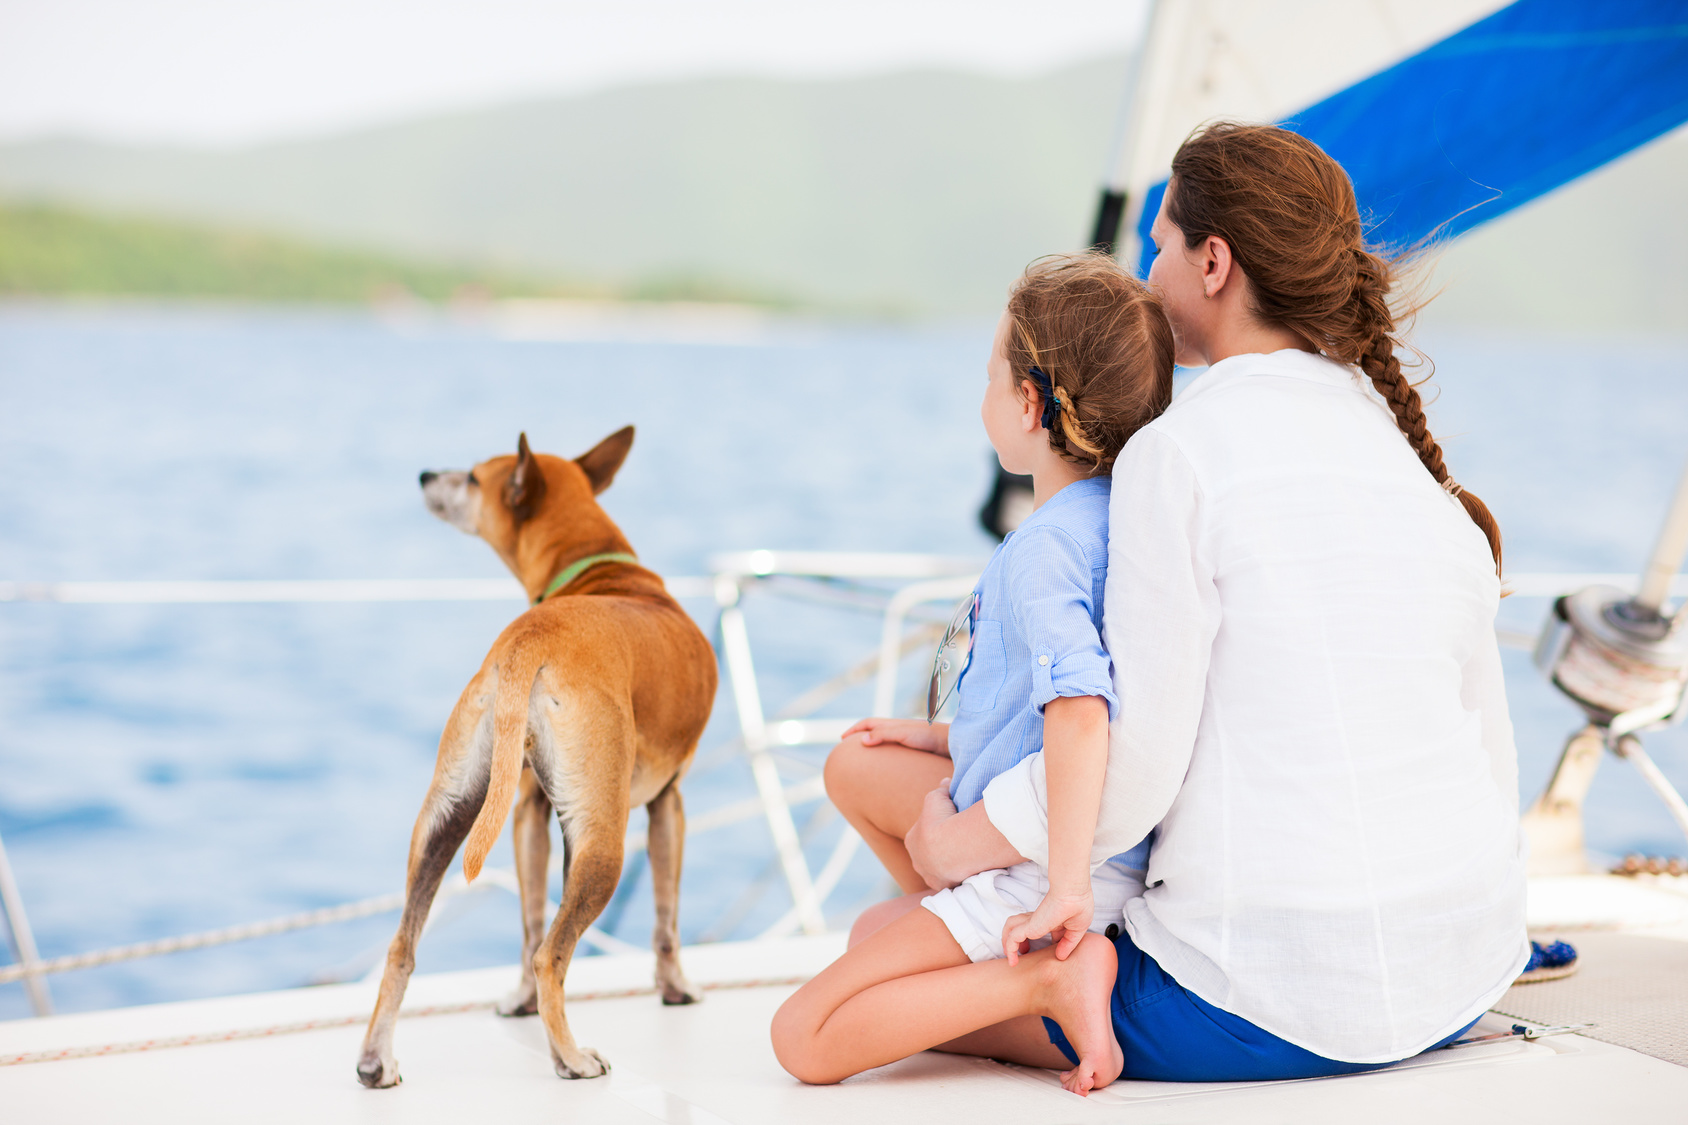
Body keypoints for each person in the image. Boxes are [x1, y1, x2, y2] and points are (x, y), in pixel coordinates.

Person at [819, 121, 1530, 1085]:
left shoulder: (1180, 453)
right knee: (892, 928)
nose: (1147, 268)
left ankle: (1024, 959)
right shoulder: (1401, 453)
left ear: (1213, 260)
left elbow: (1134, 764)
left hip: (1267, 999)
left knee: (874, 943)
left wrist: (955, 840)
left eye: (1157, 242)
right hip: (1458, 970)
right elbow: (1488, 746)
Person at [770, 253, 1176, 1095]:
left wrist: (1060, 891)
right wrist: (934, 735)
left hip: (1037, 879)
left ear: (1029, 403)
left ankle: (1044, 978)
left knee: (800, 1036)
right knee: (872, 918)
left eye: (992, 373)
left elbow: (1078, 707)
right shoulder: (1121, 524)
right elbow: (1044, 708)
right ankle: (986, 953)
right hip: (1099, 860)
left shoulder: (1041, 550)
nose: (985, 391)